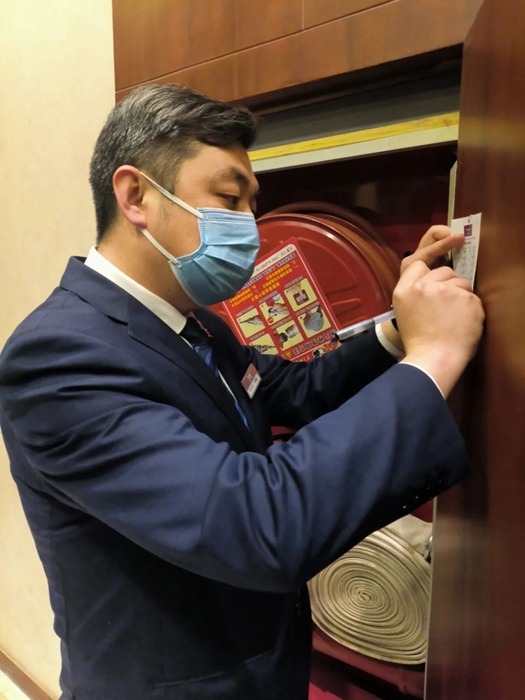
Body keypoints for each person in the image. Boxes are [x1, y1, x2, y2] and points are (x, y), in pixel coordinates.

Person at [0, 84, 484, 700]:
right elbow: (257, 523)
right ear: (135, 196)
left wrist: (398, 327)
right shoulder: (57, 358)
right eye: (229, 200)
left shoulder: (194, 322)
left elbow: (292, 388)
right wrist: (433, 357)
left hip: (263, 666)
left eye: (252, 205)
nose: (249, 227)